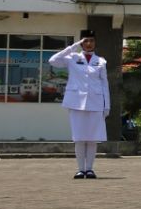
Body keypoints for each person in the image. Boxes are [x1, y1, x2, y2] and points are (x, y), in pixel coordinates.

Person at [48, 30, 111, 179]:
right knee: (79, 137)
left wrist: (106, 105)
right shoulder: (72, 57)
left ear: (95, 43)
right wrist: (73, 46)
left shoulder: (101, 61)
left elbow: (104, 84)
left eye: (92, 40)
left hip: (95, 103)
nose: (89, 44)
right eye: (86, 40)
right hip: (76, 102)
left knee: (92, 138)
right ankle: (80, 169)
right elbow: (53, 60)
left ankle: (89, 169)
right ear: (82, 42)